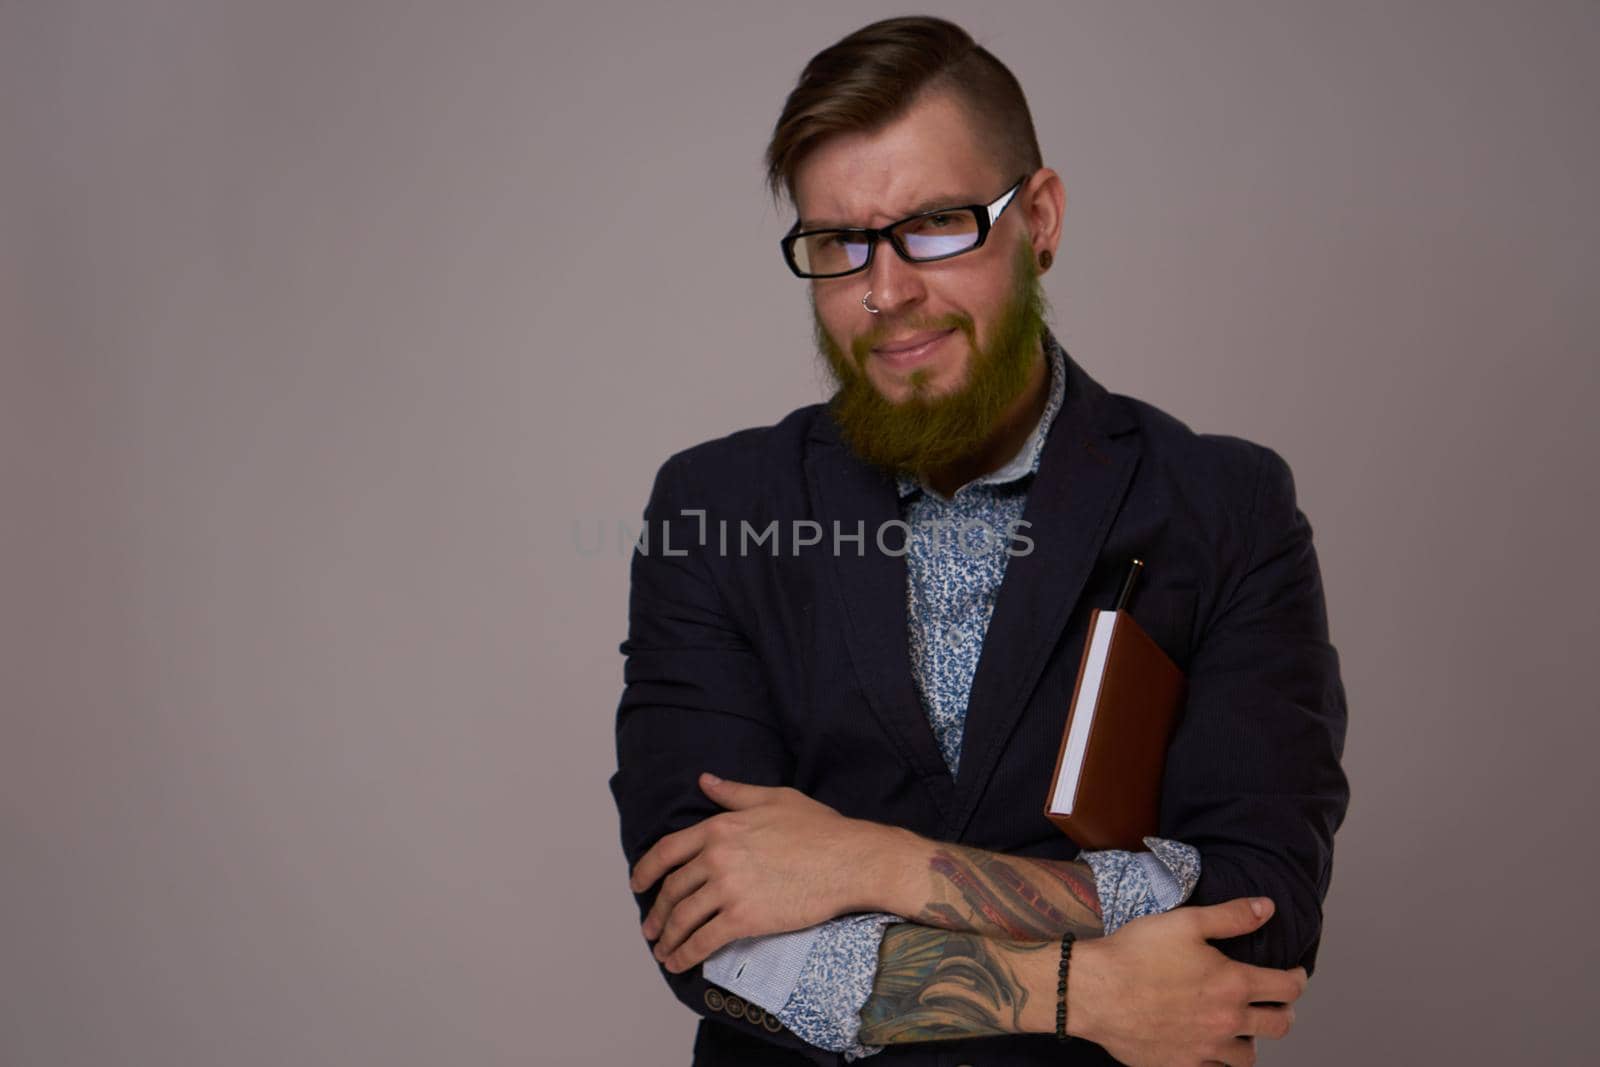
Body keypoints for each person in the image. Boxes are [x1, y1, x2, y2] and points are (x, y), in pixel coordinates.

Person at [609, 15, 1348, 1067]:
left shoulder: (1224, 503)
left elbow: (1257, 910)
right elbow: (704, 933)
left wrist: (878, 863)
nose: (885, 290)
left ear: (1038, 218)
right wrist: (1081, 990)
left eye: (936, 224)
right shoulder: (709, 506)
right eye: (837, 243)